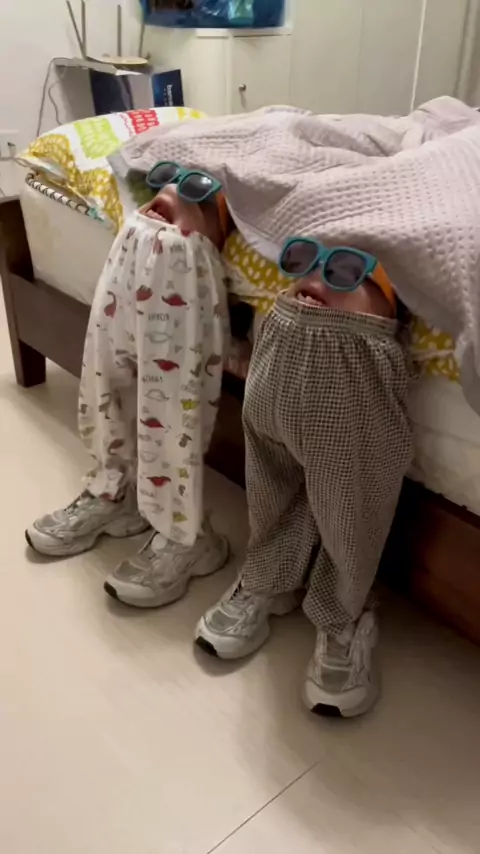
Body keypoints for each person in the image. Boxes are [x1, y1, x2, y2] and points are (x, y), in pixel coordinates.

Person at [195, 238, 413, 718]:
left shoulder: (370, 342)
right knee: (269, 483)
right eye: (304, 262)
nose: (314, 275)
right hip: (281, 351)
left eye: (345, 271)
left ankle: (343, 613)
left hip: (353, 362)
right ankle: (268, 576)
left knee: (350, 505)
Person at [26, 162, 233, 607]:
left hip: (183, 254)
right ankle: (116, 487)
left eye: (195, 190)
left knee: (172, 408)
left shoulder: (191, 242)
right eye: (166, 179)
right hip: (134, 243)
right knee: (104, 375)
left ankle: (188, 535)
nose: (173, 189)